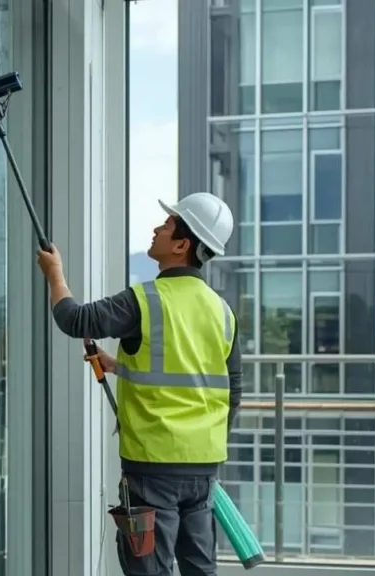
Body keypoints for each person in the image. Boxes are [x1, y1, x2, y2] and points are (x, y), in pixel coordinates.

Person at [36, 193, 242, 576]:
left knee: (149, 569)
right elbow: (229, 386)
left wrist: (55, 275)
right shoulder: (222, 310)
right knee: (201, 570)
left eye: (166, 226)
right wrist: (119, 367)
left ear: (182, 245)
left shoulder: (144, 301)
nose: (156, 229)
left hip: (152, 469)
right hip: (202, 471)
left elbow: (75, 320)